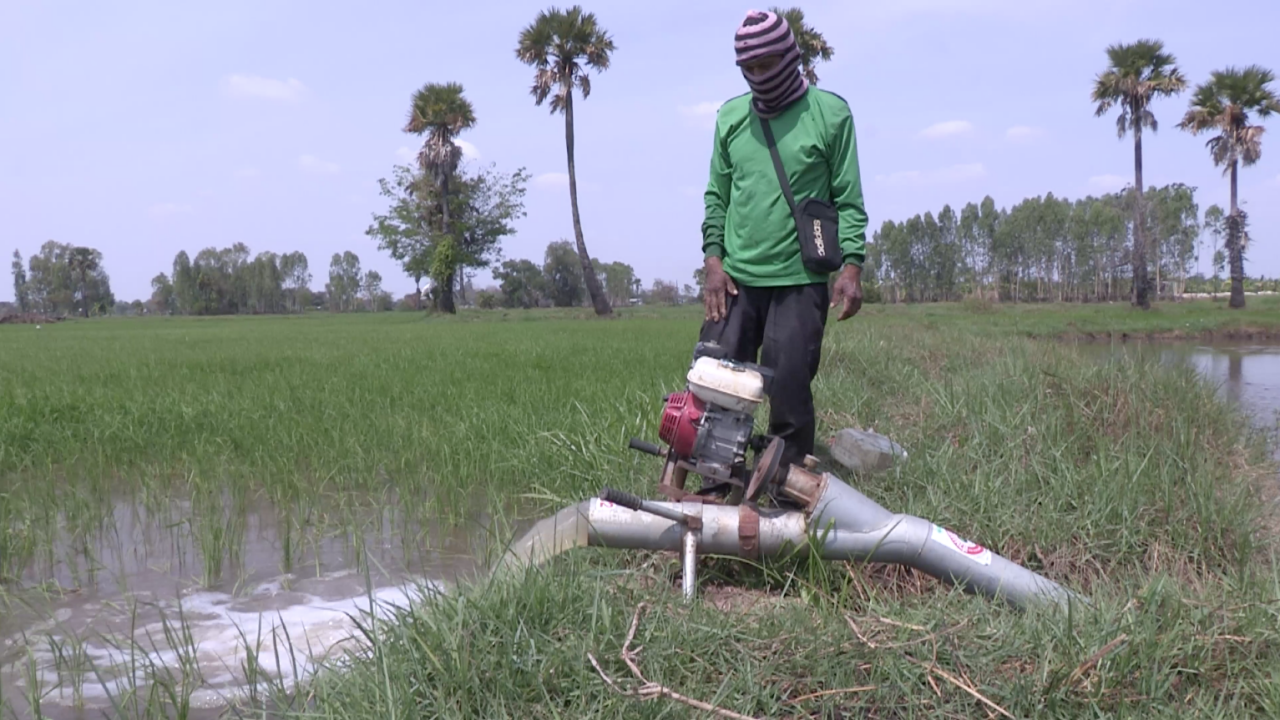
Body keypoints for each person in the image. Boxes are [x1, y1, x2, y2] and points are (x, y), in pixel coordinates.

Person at [699, 9, 868, 485]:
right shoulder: (731, 118)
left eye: (768, 63)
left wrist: (851, 267)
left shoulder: (830, 114)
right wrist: (714, 261)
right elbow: (717, 196)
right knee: (715, 382)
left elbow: (848, 199)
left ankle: (784, 490)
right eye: (748, 69)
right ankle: (715, 481)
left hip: (800, 280)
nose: (759, 76)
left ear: (791, 57)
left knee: (789, 388)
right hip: (735, 279)